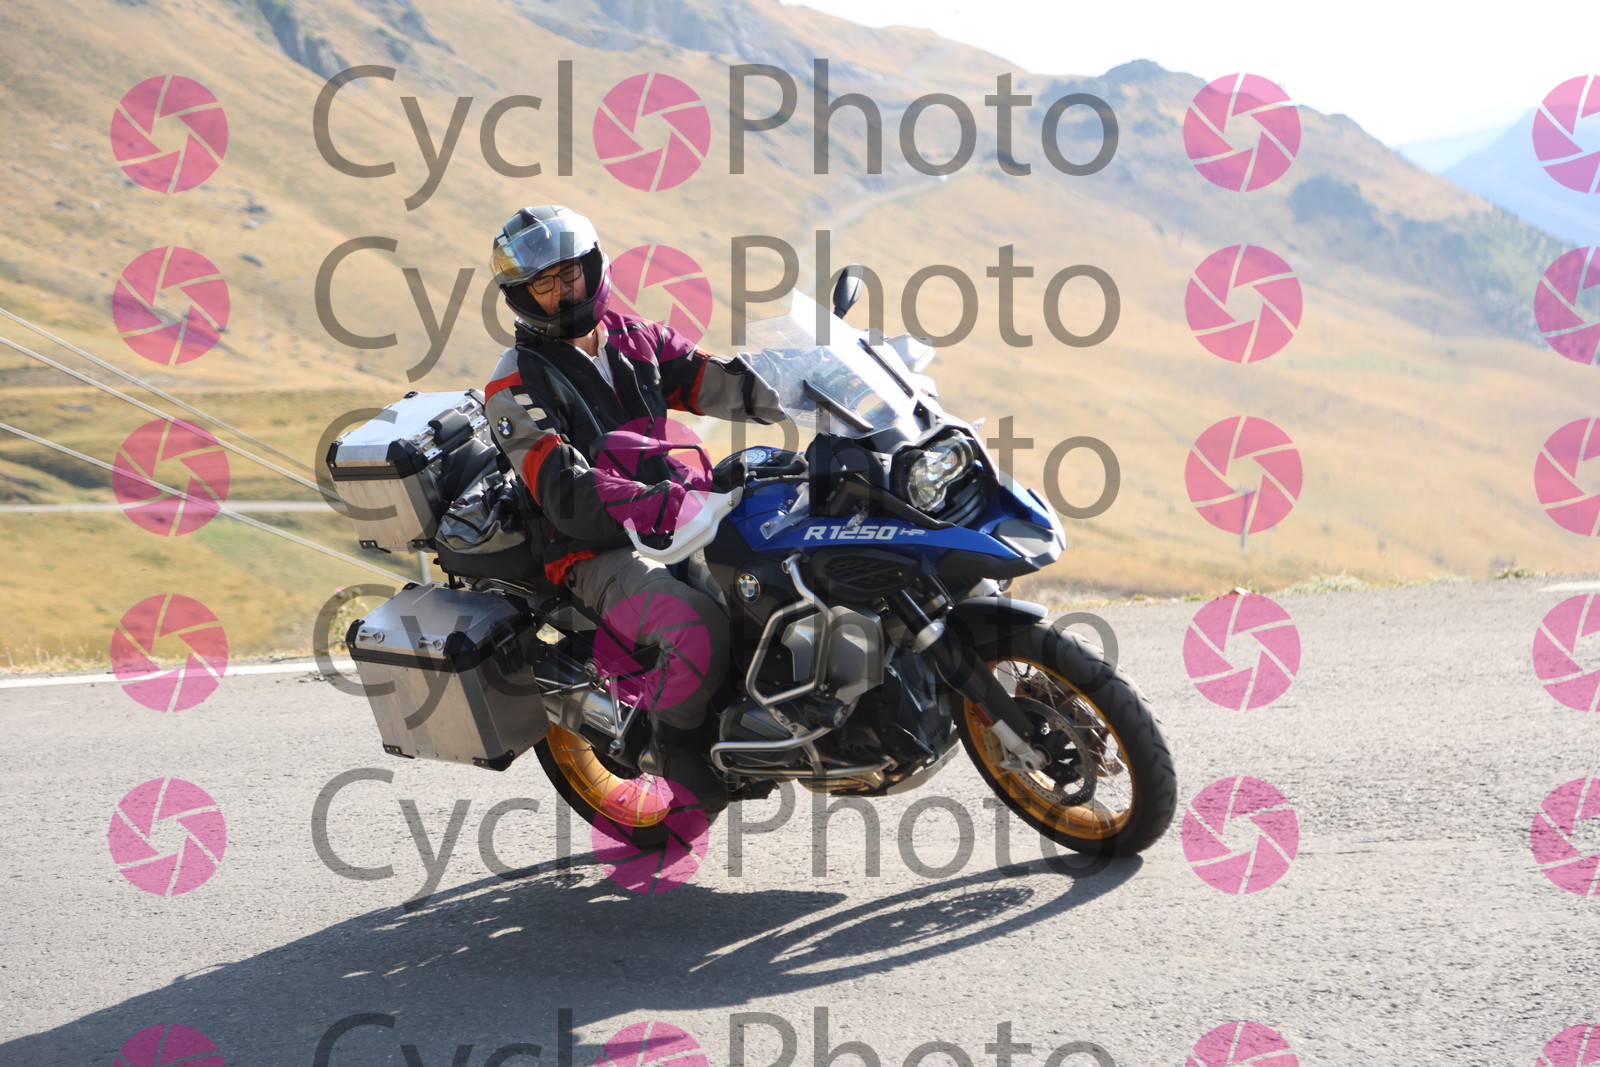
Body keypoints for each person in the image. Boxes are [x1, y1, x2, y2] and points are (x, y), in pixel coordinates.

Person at [484, 205, 783, 816]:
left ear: (593, 268)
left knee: (774, 572)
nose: (562, 290)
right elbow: (567, 494)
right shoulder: (514, 383)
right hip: (593, 550)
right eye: (544, 283)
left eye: (570, 272)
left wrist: (811, 387)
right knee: (696, 623)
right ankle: (677, 750)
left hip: (682, 518)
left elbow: (717, 383)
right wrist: (660, 502)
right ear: (522, 295)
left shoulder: (635, 338)